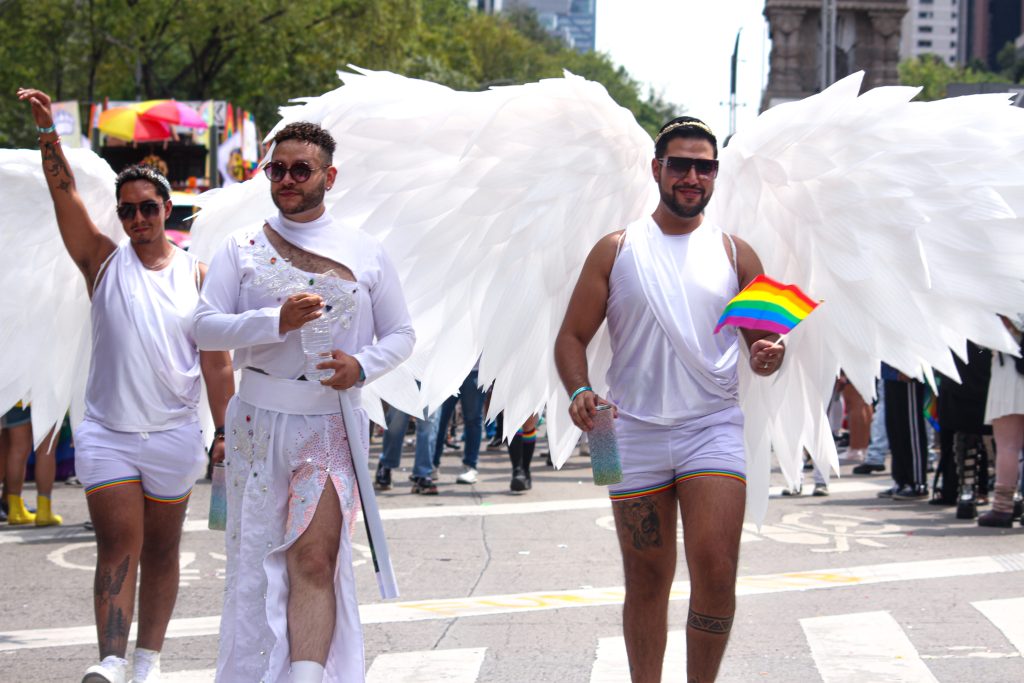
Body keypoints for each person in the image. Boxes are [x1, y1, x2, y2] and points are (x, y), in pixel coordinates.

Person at [554, 117, 785, 683]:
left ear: (714, 176)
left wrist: (769, 354)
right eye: (679, 164)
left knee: (716, 568)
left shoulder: (739, 254)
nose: (691, 176)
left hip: (713, 426)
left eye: (703, 166)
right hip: (627, 432)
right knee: (647, 577)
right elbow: (570, 337)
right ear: (656, 169)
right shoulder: (615, 249)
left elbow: (765, 343)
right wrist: (580, 389)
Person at [17, 88, 234, 683]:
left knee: (163, 553)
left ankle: (148, 662)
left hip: (173, 438)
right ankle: (111, 659)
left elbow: (217, 364)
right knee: (118, 546)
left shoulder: (201, 277)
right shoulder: (102, 262)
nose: (137, 218)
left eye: (147, 207)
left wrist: (227, 433)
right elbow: (63, 195)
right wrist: (48, 134)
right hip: (108, 435)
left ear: (168, 210)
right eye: (127, 210)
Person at [193, 121, 415, 682]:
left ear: (328, 176)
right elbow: (203, 327)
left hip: (330, 424)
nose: (286, 180)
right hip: (257, 423)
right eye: (277, 169)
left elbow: (402, 334)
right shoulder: (240, 246)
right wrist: (275, 321)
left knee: (314, 559)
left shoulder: (365, 251)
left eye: (300, 170)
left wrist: (361, 365)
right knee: (255, 566)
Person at [977, 316, 1024, 527]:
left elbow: (982, 341)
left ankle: (1003, 507)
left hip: (1010, 371)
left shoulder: (1002, 291)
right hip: (1013, 368)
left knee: (1008, 446)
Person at [1, 404, 62, 525]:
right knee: (46, 451)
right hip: (48, 394)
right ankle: (44, 510)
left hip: (17, 395)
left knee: (17, 450)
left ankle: (15, 509)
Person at [433, 366, 486, 484]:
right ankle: (432, 463)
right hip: (448, 369)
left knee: (473, 420)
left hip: (476, 370)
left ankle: (470, 466)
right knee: (438, 419)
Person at [374, 404, 440, 494]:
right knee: (396, 422)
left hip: (430, 390)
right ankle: (386, 463)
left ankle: (423, 474)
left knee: (428, 426)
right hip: (401, 390)